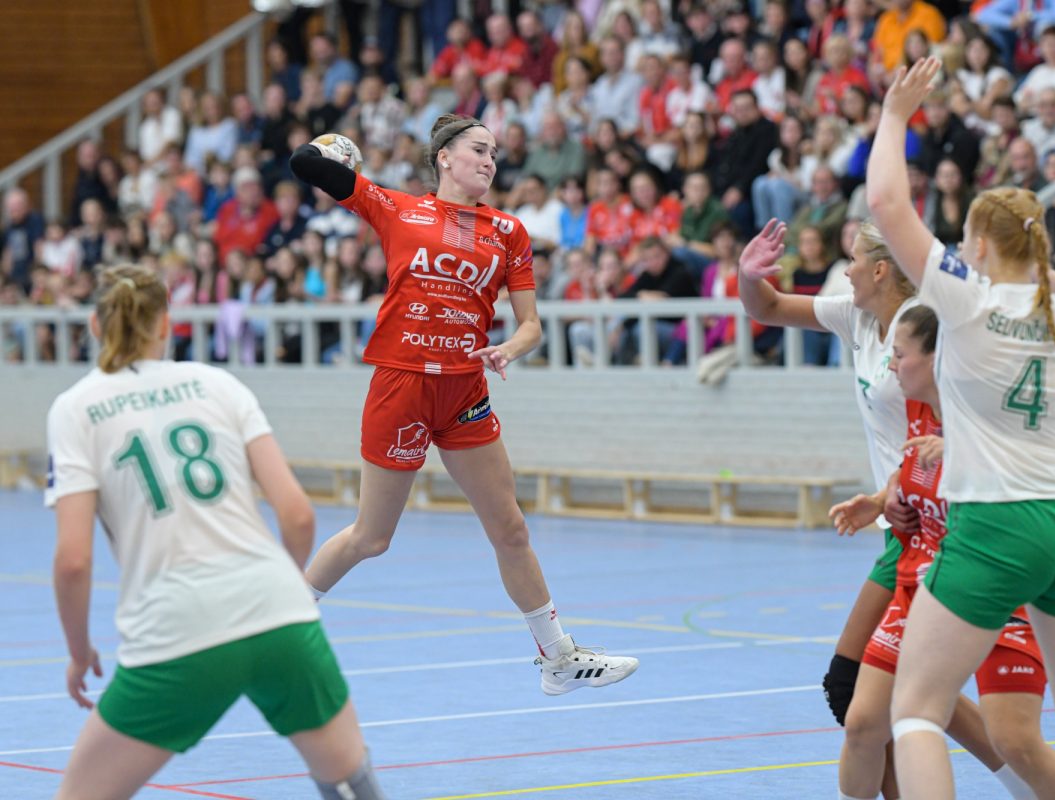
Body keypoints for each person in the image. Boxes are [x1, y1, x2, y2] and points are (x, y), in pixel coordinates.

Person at [865, 56, 1055, 800]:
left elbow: (888, 205)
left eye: (967, 241)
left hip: (997, 521)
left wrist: (894, 117)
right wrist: (1039, 273)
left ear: (984, 248)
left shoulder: (970, 301)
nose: (960, 251)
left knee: (917, 710)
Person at [289, 116, 638, 694]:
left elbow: (531, 325)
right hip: (402, 385)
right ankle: (283, 623)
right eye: (479, 149)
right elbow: (304, 163)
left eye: (495, 153)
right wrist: (335, 150)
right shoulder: (397, 209)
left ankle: (559, 658)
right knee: (372, 538)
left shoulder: (508, 231)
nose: (490, 161)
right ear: (444, 158)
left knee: (511, 528)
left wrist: (509, 349)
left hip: (465, 390)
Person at [44, 263, 385, 800]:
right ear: (166, 324)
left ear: (94, 324)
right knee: (350, 783)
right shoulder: (217, 383)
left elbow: (72, 562)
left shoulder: (76, 409)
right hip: (278, 614)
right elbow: (298, 514)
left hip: (177, 629)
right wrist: (280, 595)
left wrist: (79, 649)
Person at [739, 217, 1040, 799]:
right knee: (900, 692)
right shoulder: (857, 316)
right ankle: (1019, 782)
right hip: (901, 522)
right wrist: (748, 275)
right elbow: (768, 308)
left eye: (853, 259)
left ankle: (1026, 780)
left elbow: (971, 409)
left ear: (880, 269)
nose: (845, 269)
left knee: (858, 686)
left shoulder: (925, 327)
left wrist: (908, 483)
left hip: (941, 523)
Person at [830, 305, 1055, 800]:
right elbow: (913, 468)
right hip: (923, 584)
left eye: (899, 354)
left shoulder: (994, 416)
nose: (890, 365)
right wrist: (885, 499)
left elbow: (1037, 478)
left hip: (995, 587)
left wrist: (965, 452)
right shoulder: (918, 407)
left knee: (1015, 741)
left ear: (937, 358)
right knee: (863, 722)